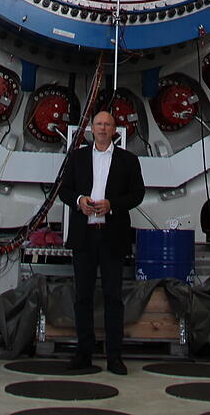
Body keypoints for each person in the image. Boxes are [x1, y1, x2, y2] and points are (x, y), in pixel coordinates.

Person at [58, 110, 144, 375]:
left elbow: (137, 194)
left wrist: (112, 206)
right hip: (84, 236)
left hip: (112, 236)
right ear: (91, 129)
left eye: (107, 124)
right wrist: (79, 201)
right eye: (99, 124)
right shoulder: (77, 157)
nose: (103, 128)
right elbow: (64, 190)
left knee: (113, 297)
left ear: (115, 130)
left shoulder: (128, 160)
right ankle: (83, 354)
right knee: (82, 297)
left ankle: (114, 356)